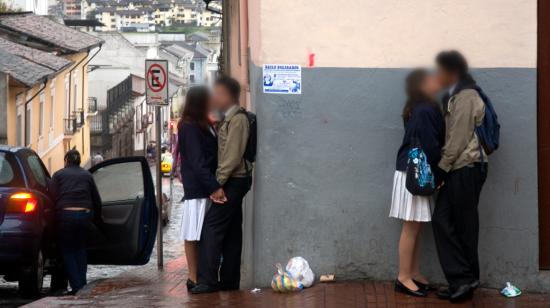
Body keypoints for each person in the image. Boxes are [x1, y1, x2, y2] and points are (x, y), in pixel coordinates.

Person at [432, 51, 487, 303]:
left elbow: (458, 139)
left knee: (464, 225)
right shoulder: (456, 94)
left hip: (466, 167)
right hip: (459, 168)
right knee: (443, 220)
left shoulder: (466, 96)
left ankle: (466, 280)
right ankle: (462, 279)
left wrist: (441, 168)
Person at [191, 76, 252, 294]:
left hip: (234, 181)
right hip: (234, 179)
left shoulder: (238, 120)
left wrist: (217, 185)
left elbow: (232, 157)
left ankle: (207, 280)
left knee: (212, 227)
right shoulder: (229, 118)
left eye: (217, 93)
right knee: (233, 230)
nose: (214, 97)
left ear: (227, 95)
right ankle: (229, 280)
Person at [390, 69, 445, 297]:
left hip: (411, 171)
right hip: (415, 173)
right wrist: (439, 174)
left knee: (415, 226)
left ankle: (413, 272)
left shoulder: (418, 107)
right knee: (411, 226)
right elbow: (430, 145)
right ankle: (403, 277)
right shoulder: (424, 109)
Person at [177, 86, 225, 291]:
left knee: (203, 233)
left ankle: (200, 276)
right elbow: (197, 162)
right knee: (193, 233)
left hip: (204, 186)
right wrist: (213, 187)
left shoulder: (203, 124)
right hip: (199, 188)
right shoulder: (189, 126)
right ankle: (193, 277)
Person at [49, 149, 102, 294]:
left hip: (65, 216)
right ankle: (82, 284)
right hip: (85, 215)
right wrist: (97, 219)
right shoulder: (87, 175)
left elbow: (51, 197)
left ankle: (77, 286)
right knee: (80, 249)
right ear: (79, 161)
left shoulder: (58, 175)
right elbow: (96, 199)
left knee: (68, 251)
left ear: (66, 161)